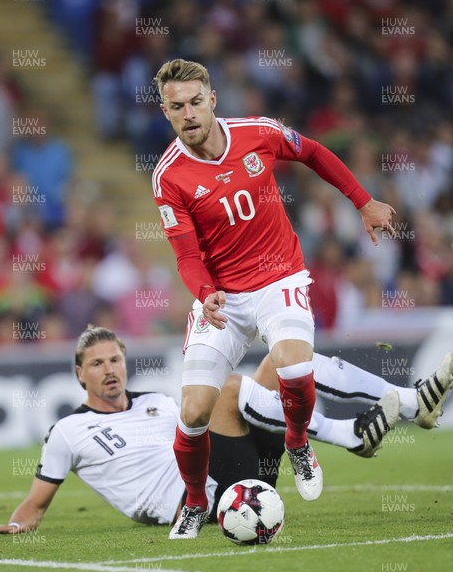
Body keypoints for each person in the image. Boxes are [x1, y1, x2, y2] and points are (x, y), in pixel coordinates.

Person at [151, 58, 396, 538]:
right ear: (166, 112)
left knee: (294, 366)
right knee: (195, 411)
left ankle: (299, 442)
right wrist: (204, 293)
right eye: (177, 107)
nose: (189, 113)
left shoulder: (258, 131)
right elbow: (186, 256)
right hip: (220, 296)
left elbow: (315, 154)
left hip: (277, 277)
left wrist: (362, 200)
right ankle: (196, 503)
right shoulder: (168, 176)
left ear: (212, 100)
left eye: (196, 102)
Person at [0, 326, 451, 536]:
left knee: (284, 357)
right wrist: (18, 523)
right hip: (200, 500)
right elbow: (37, 502)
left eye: (116, 359)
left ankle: (411, 401)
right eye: (97, 363)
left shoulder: (157, 402)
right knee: (228, 388)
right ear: (79, 374)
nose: (110, 370)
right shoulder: (68, 431)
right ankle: (349, 434)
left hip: (237, 473)